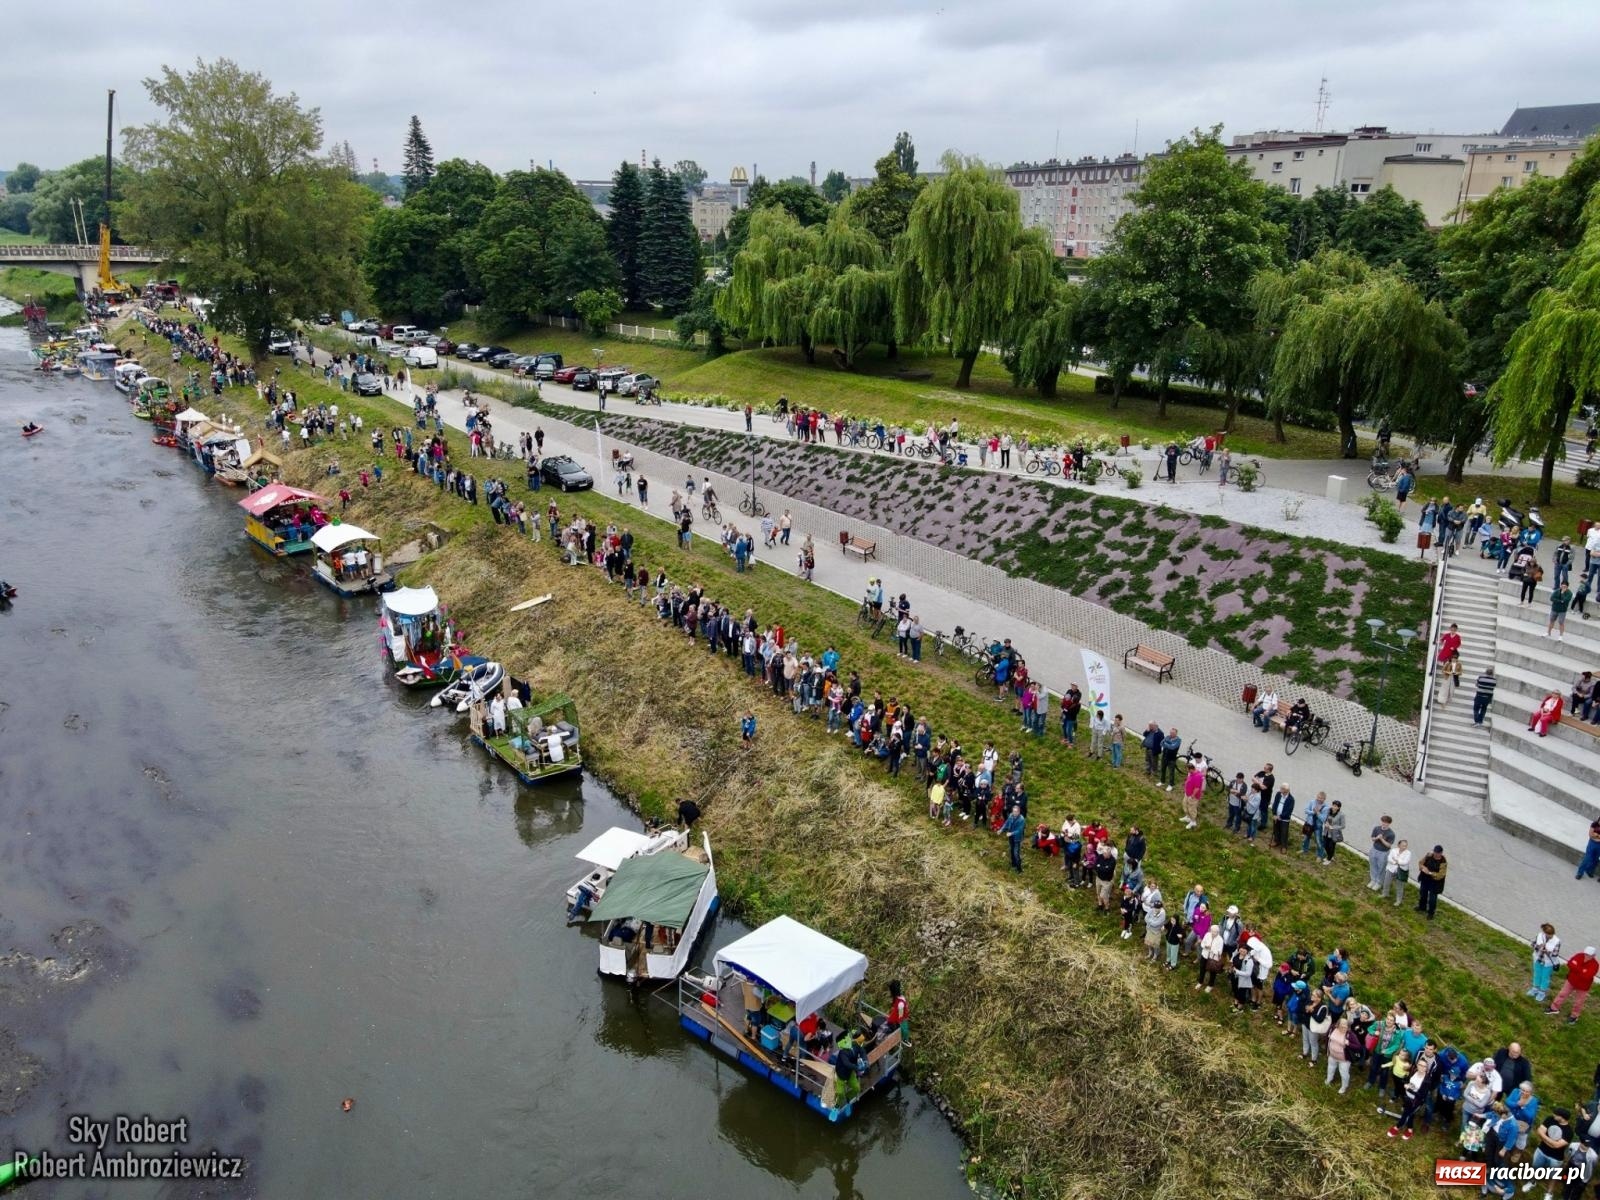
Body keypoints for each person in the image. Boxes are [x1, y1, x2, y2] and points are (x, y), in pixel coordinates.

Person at [1546, 947, 1599, 1025]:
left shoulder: (1595, 965)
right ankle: (1554, 1008)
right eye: (1586, 954)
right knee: (1562, 994)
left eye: (1589, 955)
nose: (1586, 956)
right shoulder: (1579, 955)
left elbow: (1587, 976)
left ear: (1593, 955)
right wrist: (1582, 970)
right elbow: (1570, 963)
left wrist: (1576, 968)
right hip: (1571, 981)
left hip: (1583, 987)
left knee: (1579, 1001)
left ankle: (1574, 1016)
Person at [1530, 923, 1562, 1004]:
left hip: (1548, 963)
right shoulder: (1540, 936)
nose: (1550, 936)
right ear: (1544, 932)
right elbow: (1532, 944)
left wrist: (1548, 952)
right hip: (1538, 959)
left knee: (1545, 977)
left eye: (1551, 935)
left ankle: (1542, 992)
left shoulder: (1557, 941)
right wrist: (1539, 947)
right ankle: (1535, 988)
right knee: (1537, 974)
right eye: (1548, 934)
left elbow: (1555, 954)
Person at [1415, 845, 1448, 919]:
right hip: (1425, 879)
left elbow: (1440, 875)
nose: (1435, 854)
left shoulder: (1443, 862)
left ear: (1441, 853)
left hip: (1435, 883)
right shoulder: (1429, 856)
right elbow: (1420, 863)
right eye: (1434, 852)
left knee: (1432, 899)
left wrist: (1429, 873)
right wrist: (1423, 867)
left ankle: (1431, 913)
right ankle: (1422, 907)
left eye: (1437, 853)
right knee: (1423, 893)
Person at [1367, 815, 1397, 891]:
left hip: (1383, 853)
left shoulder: (1391, 834)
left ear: (1389, 824)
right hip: (1374, 850)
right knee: (1373, 865)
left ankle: (1379, 882)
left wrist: (1382, 839)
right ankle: (1373, 880)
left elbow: (1389, 845)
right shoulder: (1376, 828)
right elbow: (1372, 839)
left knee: (1381, 868)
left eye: (1386, 822)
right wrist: (1377, 837)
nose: (1384, 824)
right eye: (1383, 821)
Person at [1382, 839, 1412, 906]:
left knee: (1399, 886)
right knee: (1386, 882)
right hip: (1391, 869)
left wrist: (1396, 860)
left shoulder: (1408, 853)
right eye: (1403, 846)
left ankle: (1398, 900)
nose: (1404, 847)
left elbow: (1405, 862)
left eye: (1406, 846)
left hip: (1401, 871)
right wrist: (1395, 862)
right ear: (1399, 845)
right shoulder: (1393, 850)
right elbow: (1389, 858)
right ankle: (1385, 893)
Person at [999, 804, 1026, 873]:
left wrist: (1011, 833)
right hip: (1010, 837)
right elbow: (1007, 823)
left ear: (1019, 812)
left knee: (1016, 853)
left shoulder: (1021, 819)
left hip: (1017, 838)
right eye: (1014, 811)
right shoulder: (1011, 815)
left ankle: (1019, 869)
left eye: (1016, 812)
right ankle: (1013, 864)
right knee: (1011, 850)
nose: (1015, 813)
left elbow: (1019, 830)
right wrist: (1001, 829)